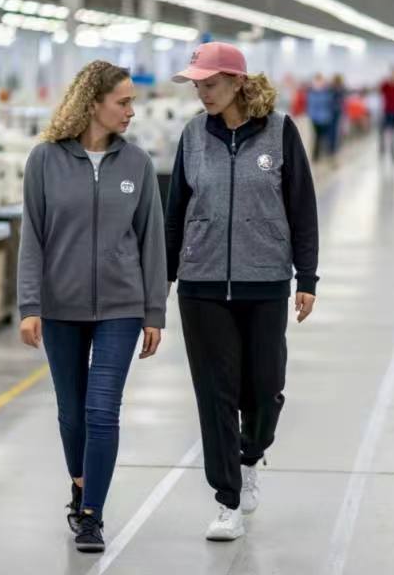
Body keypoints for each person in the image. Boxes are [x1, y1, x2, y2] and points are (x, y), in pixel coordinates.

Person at [166, 42, 320, 542]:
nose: (202, 93)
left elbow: (302, 207)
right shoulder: (192, 135)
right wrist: (162, 281)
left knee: (264, 388)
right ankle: (227, 499)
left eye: (209, 84)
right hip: (202, 284)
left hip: (266, 282)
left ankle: (250, 455)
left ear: (237, 82)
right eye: (197, 85)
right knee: (215, 395)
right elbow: (175, 213)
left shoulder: (279, 131)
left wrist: (307, 277)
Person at [17, 60, 167, 553]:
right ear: (93, 103)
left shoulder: (137, 164)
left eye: (131, 103)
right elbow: (32, 237)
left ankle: (90, 515)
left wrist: (154, 311)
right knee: (71, 413)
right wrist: (29, 303)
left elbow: (151, 242)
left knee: (102, 410)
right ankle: (80, 483)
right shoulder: (44, 159)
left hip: (121, 308)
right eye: (122, 102)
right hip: (60, 306)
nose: (130, 111)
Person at [305, 74, 335, 163]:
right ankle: (316, 155)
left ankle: (325, 153)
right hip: (315, 119)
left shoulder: (327, 92)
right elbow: (310, 105)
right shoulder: (311, 92)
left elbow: (329, 104)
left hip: (325, 118)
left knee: (324, 137)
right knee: (317, 137)